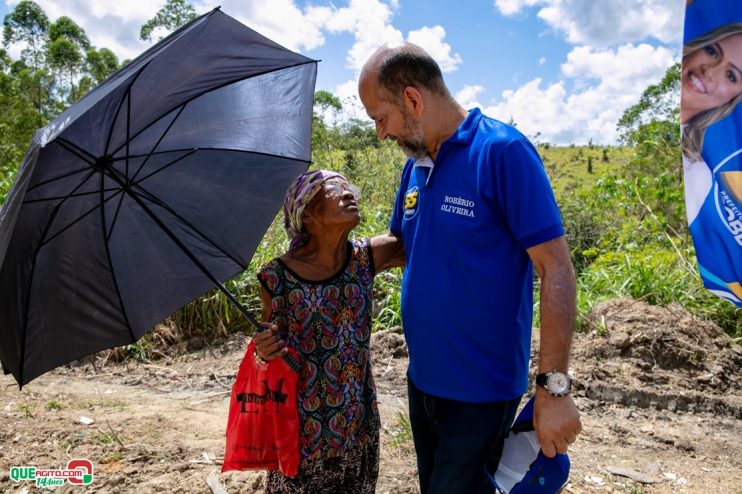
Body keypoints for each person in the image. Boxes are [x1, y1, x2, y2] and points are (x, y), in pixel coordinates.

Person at [357, 42, 582, 493]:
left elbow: (556, 269)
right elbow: (405, 243)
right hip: (423, 384)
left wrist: (553, 391)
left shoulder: (502, 153)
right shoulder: (416, 166)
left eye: (380, 118)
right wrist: (337, 258)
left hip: (480, 395)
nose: (381, 133)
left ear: (413, 100)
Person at [252, 169, 403, 494]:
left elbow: (420, 242)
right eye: (333, 188)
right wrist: (262, 350)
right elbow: (262, 355)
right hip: (302, 437)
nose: (348, 192)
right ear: (308, 214)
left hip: (358, 430)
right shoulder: (277, 278)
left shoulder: (364, 258)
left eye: (347, 185)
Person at [681, 23, 742, 161]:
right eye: (712, 51)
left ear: (733, 99)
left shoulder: (696, 174)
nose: (709, 71)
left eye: (731, 75)